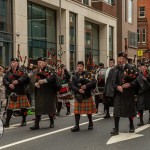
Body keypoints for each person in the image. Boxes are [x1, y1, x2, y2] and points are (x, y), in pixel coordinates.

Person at [105, 52, 137, 136]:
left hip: (128, 93)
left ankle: (131, 125)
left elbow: (137, 79)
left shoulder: (131, 67)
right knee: (117, 111)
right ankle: (116, 128)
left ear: (125, 60)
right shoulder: (113, 69)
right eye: (119, 58)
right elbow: (111, 82)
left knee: (129, 109)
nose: (120, 60)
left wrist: (130, 84)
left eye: (122, 58)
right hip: (118, 93)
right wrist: (117, 87)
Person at [30, 57, 57, 130]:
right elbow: (32, 80)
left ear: (45, 63)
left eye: (41, 62)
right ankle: (36, 124)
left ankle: (52, 122)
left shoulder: (50, 70)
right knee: (38, 108)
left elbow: (53, 78)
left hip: (48, 91)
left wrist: (44, 80)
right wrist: (35, 84)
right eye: (38, 62)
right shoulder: (36, 71)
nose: (39, 64)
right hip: (39, 92)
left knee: (49, 107)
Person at [3, 58, 30, 128]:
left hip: (21, 91)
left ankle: (24, 120)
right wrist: (9, 84)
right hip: (12, 92)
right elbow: (4, 79)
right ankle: (7, 122)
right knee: (9, 108)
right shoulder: (8, 72)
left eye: (15, 62)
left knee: (23, 108)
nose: (13, 63)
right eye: (12, 62)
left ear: (17, 63)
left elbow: (26, 78)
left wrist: (18, 81)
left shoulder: (22, 70)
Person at [71, 61, 96, 132]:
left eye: (80, 66)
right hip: (78, 96)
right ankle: (77, 125)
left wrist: (86, 86)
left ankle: (90, 122)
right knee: (77, 112)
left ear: (83, 67)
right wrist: (78, 90)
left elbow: (94, 82)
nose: (79, 68)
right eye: (78, 66)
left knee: (89, 112)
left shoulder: (88, 74)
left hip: (87, 95)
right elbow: (72, 85)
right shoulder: (74, 76)